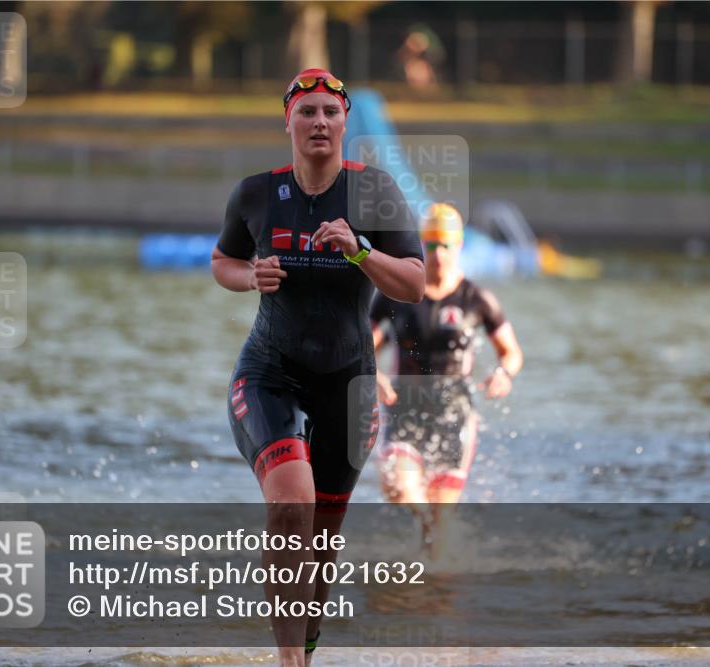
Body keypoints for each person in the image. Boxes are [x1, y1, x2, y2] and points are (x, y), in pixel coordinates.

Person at [210, 68, 424, 667]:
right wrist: (250, 275)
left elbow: (414, 284)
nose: (319, 122)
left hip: (348, 386)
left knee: (322, 542)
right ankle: (288, 663)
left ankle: (303, 649)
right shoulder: (255, 194)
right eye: (307, 112)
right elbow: (223, 261)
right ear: (288, 122)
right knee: (290, 504)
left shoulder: (374, 191)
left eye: (331, 112)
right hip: (270, 372)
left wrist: (360, 249)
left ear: (345, 122)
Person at [371, 203, 523, 558]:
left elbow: (511, 352)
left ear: (459, 246)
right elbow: (362, 345)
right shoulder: (396, 294)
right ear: (420, 245)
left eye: (446, 245)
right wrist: (372, 373)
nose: (438, 254)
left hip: (454, 415)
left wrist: (504, 373)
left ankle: (434, 583)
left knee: (440, 524)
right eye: (431, 244)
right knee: (399, 488)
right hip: (404, 408)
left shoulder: (477, 299)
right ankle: (427, 535)